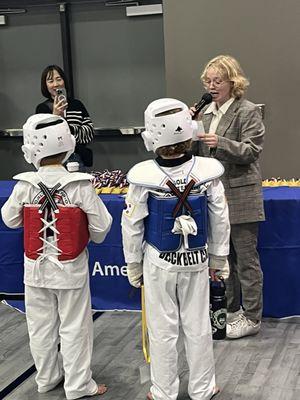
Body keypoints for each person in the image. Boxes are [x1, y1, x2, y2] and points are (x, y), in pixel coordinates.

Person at [121, 98, 230, 400]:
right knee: (198, 327)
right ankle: (203, 388)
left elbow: (131, 223)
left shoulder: (143, 178)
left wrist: (132, 264)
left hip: (159, 263)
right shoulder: (207, 174)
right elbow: (219, 216)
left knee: (162, 329)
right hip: (196, 261)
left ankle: (164, 391)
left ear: (151, 136)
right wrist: (219, 258)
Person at [1, 114, 112, 399]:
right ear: (67, 146)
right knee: (75, 328)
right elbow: (102, 227)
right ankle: (77, 385)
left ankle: (47, 378)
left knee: (40, 327)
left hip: (34, 269)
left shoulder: (25, 184)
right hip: (70, 269)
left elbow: (10, 220)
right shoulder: (79, 184)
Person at [191, 55, 265, 339]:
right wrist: (190, 127)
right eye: (207, 81)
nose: (211, 86)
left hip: (242, 194)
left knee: (246, 260)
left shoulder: (247, 111)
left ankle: (252, 317)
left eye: (217, 81)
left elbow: (251, 151)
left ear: (232, 82)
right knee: (224, 258)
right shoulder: (206, 113)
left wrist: (220, 142)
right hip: (215, 196)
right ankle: (232, 310)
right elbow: (198, 155)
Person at [36, 65, 94, 170]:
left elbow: (89, 133)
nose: (55, 84)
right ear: (45, 85)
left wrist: (68, 128)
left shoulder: (77, 104)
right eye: (50, 81)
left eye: (59, 79)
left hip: (77, 159)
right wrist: (55, 116)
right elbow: (42, 140)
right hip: (52, 162)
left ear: (64, 81)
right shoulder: (42, 109)